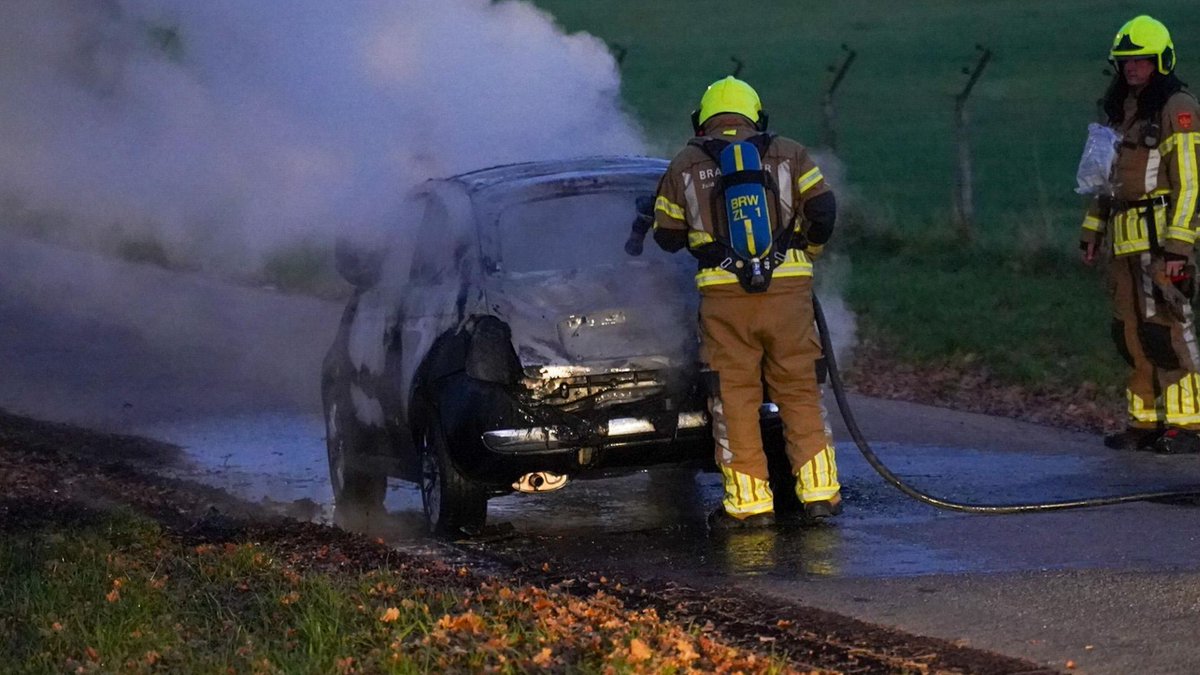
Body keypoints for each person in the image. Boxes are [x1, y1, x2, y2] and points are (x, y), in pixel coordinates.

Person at [651, 76, 841, 528]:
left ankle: (750, 505)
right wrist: (804, 253)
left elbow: (667, 235)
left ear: (702, 122)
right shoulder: (790, 153)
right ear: (757, 116)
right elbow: (824, 211)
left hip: (725, 298)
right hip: (789, 292)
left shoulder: (685, 164)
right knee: (798, 390)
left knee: (733, 397)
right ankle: (819, 494)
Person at [1081, 16, 1200, 454]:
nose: (1132, 69)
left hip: (1161, 239)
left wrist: (1178, 249)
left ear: (1161, 62)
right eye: (1126, 61)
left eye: (1142, 61)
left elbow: (1190, 184)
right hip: (1123, 238)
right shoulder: (1119, 110)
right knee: (1127, 332)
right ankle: (1145, 420)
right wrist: (1092, 230)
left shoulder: (1177, 108)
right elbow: (1104, 179)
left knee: (1165, 330)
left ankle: (1188, 424)